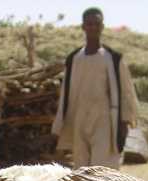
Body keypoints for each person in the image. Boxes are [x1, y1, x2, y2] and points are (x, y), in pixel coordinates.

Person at [52, 7, 139, 170]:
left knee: (103, 168)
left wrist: (124, 123)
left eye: (96, 24)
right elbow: (66, 95)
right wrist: (59, 126)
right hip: (79, 118)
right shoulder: (74, 59)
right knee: (81, 169)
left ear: (102, 27)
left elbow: (126, 92)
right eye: (89, 24)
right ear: (83, 27)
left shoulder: (112, 59)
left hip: (105, 120)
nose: (93, 27)